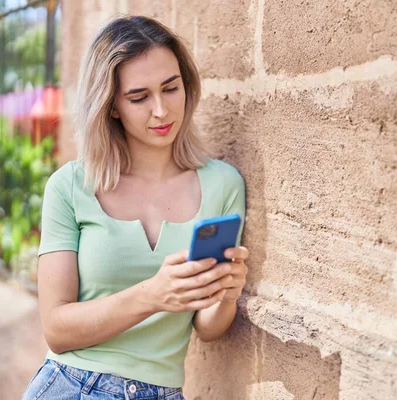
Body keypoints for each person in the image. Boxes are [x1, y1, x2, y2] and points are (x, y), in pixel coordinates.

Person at [22, 15, 249, 400]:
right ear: (111, 106)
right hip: (71, 385)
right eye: (139, 97)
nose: (161, 111)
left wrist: (227, 292)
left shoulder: (222, 184)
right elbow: (57, 330)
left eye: (171, 88)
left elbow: (207, 327)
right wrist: (152, 294)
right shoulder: (70, 186)